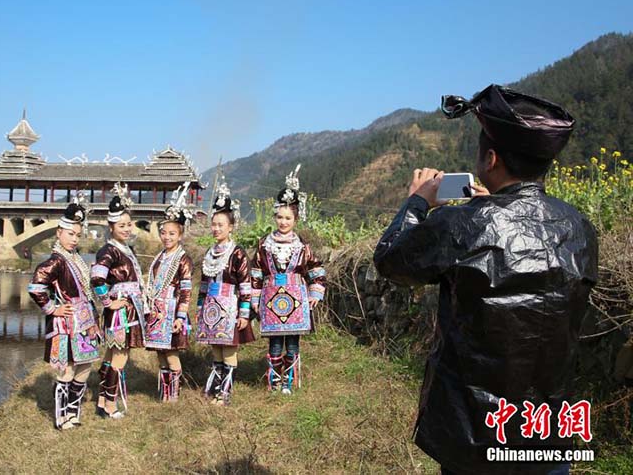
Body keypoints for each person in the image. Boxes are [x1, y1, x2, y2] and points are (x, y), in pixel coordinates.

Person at [373, 84, 599, 474]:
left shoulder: (462, 224)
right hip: (548, 437)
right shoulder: (580, 228)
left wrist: (417, 202)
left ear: (490, 158)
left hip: (474, 437)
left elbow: (391, 261)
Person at [251, 165, 327, 394]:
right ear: (275, 217)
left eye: (288, 218)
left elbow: (315, 268)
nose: (283, 222)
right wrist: (255, 298)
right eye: (280, 217)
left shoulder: (302, 246)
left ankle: (289, 382)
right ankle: (274, 382)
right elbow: (256, 271)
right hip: (271, 297)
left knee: (292, 343)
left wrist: (315, 291)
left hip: (295, 299)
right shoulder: (265, 244)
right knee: (275, 343)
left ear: (295, 219)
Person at [28, 201, 101, 429]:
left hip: (85, 320)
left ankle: (73, 411)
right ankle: (61, 417)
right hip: (67, 322)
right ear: (59, 233)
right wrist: (52, 308)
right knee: (67, 369)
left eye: (78, 235)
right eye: (70, 234)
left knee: (85, 367)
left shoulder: (75, 258)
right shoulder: (56, 261)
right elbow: (36, 287)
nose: (74, 239)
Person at [196, 177, 255, 405]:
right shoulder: (210, 253)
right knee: (216, 350)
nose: (216, 228)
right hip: (212, 306)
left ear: (231, 227)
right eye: (214, 224)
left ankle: (225, 393)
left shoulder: (237, 253)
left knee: (229, 349)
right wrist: (201, 308)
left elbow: (245, 285)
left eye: (221, 224)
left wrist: (244, 313)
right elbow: (203, 284)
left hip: (230, 305)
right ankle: (216, 387)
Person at [90, 183, 146, 419]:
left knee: (113, 355)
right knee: (119, 357)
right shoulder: (109, 251)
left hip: (129, 308)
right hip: (121, 311)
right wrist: (107, 302)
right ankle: (110, 405)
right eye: (121, 225)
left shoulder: (124, 248)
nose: (126, 228)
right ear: (110, 227)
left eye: (128, 224)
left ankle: (103, 400)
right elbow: (97, 277)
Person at [143, 182, 195, 402]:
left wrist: (181, 316)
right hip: (156, 311)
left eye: (172, 233)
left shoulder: (183, 259)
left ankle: (173, 394)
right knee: (160, 354)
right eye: (164, 233)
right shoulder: (160, 257)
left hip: (172, 311)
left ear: (180, 235)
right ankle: (164, 393)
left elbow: (186, 290)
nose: (167, 237)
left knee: (171, 353)